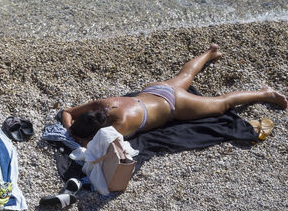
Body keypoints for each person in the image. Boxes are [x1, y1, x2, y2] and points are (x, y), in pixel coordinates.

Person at [61, 44, 286, 144]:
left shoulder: (118, 127)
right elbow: (68, 112)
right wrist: (71, 126)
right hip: (154, 90)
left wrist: (76, 137)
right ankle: (210, 52)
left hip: (175, 105)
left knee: (222, 104)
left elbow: (94, 148)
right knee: (185, 75)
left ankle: (264, 93)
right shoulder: (103, 104)